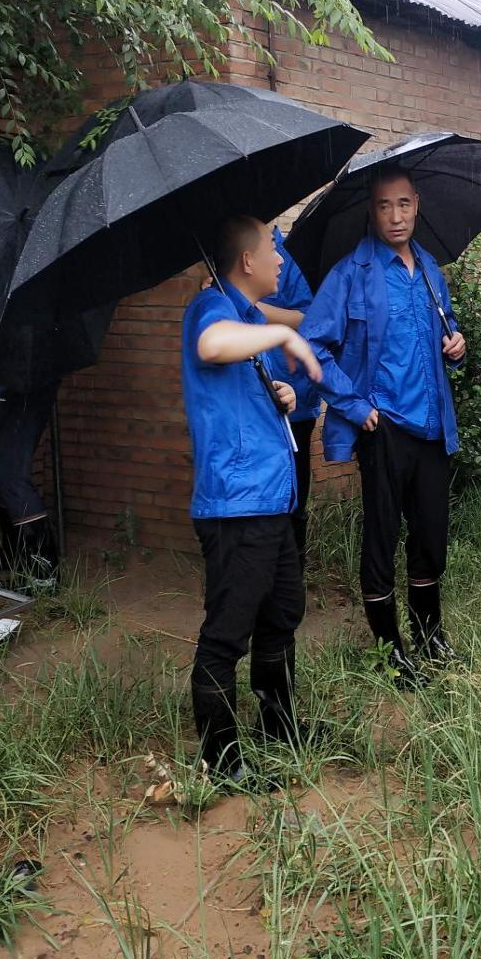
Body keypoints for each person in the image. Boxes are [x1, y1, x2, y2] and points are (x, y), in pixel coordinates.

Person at [300, 168, 467, 688]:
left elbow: (447, 330)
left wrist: (456, 345)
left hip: (433, 425)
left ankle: (430, 633)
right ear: (370, 212)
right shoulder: (351, 273)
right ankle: (390, 648)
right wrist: (353, 405)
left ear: (417, 204)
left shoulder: (431, 270)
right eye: (383, 206)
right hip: (385, 425)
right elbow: (312, 345)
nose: (395, 216)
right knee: (382, 537)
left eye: (403, 204)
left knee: (431, 536)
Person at [181, 215, 323, 784]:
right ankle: (223, 763)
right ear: (247, 261)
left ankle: (278, 725)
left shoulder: (247, 316)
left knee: (282, 611)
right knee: (227, 632)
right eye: (272, 248)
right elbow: (211, 345)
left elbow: (234, 385)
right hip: (236, 505)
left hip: (270, 500)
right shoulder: (212, 307)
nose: (281, 258)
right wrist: (286, 336)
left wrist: (278, 395)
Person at [258, 225, 323, 574]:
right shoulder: (225, 261)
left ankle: (293, 575)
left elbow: (307, 317)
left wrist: (252, 307)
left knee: (294, 493)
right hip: (253, 400)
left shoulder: (288, 255)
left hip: (294, 397)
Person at [0, 379, 61, 590]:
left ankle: (43, 575)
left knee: (11, 475)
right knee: (0, 468)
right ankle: (14, 555)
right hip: (5, 390)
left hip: (22, 390)